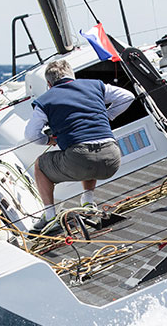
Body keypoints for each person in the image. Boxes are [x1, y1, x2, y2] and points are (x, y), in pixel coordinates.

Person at [24, 59, 135, 232]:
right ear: (72, 75)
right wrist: (107, 116)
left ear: (49, 84)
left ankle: (50, 216)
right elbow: (128, 96)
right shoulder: (95, 85)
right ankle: (88, 202)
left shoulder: (44, 101)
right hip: (112, 159)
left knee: (40, 165)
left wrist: (48, 141)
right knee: (87, 150)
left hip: (80, 159)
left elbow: (31, 135)